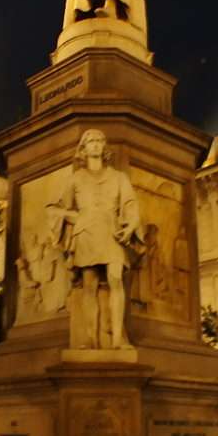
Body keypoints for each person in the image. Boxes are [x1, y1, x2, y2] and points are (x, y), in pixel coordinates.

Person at [48, 129, 140, 349]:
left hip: (112, 232)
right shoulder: (76, 179)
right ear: (84, 148)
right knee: (89, 284)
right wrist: (75, 216)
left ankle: (118, 339)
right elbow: (55, 209)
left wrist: (131, 226)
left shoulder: (119, 177)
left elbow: (130, 205)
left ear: (104, 146)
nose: (96, 145)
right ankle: (91, 338)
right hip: (86, 233)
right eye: (91, 142)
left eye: (100, 141)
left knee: (116, 279)